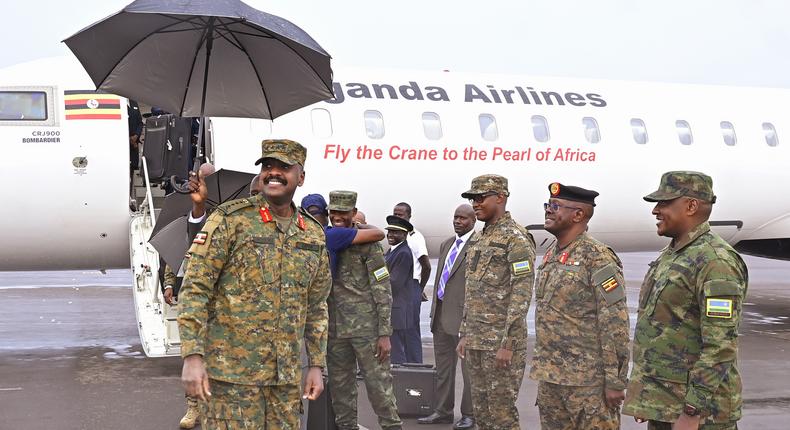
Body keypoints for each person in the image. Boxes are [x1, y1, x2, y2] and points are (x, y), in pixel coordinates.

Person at [177, 139, 332, 428]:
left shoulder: (312, 234)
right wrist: (193, 356)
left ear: (301, 177)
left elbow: (317, 305)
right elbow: (195, 289)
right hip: (231, 381)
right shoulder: (230, 220)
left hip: (284, 382)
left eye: (284, 167)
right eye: (268, 166)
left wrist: (316, 365)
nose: (274, 173)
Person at [623, 171, 748, 430]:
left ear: (691, 206)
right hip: (666, 406)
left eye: (665, 203)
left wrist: (693, 410)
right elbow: (661, 331)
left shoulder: (715, 261)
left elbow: (720, 345)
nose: (656, 211)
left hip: (701, 416)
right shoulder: (673, 254)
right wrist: (647, 397)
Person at [529, 183, 630, 430]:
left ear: (578, 215)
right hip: (551, 379)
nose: (548, 211)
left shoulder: (597, 257)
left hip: (588, 385)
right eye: (547, 205)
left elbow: (615, 324)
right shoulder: (553, 252)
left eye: (555, 206)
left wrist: (615, 381)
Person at [455, 174, 535, 430]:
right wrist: (465, 333)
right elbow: (473, 291)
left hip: (500, 343)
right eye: (472, 198)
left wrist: (508, 343)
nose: (475, 203)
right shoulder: (479, 238)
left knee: (502, 416)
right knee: (482, 413)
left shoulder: (516, 239)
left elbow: (521, 292)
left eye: (480, 198)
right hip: (477, 340)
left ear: (500, 198)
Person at [326, 190, 402, 430]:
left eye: (343, 212)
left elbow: (382, 289)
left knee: (379, 389)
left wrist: (384, 333)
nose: (337, 216)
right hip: (335, 331)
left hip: (366, 331)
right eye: (333, 212)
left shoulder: (369, 245)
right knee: (340, 392)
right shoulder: (326, 240)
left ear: (353, 213)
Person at [418, 204, 476, 429]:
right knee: (443, 369)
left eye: (463, 218)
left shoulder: (478, 245)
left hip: (462, 319)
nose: (457, 221)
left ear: (473, 221)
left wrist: (469, 321)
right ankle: (442, 411)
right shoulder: (447, 244)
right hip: (440, 317)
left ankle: (469, 415)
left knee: (468, 372)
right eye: (455, 217)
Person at [393, 202, 430, 363]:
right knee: (400, 329)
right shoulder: (398, 235)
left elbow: (426, 265)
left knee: (411, 330)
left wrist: (419, 288)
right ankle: (404, 365)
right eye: (395, 214)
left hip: (411, 288)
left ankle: (416, 366)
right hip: (402, 289)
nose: (397, 216)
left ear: (409, 216)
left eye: (400, 215)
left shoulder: (415, 237)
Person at [384, 215, 417, 364]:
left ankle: (401, 382)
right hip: (393, 309)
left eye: (396, 232)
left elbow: (394, 282)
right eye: (390, 231)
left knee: (396, 352)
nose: (391, 235)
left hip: (397, 311)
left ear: (404, 235)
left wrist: (374, 279)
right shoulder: (392, 251)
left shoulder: (403, 253)